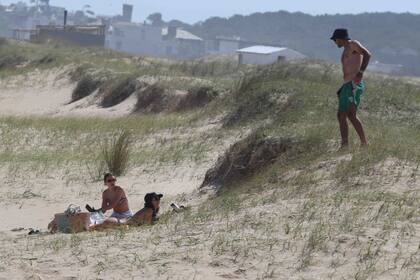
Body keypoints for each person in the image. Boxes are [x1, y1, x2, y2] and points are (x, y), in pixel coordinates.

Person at [330, 28, 371, 148]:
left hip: (353, 84)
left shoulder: (353, 44)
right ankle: (350, 144)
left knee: (346, 114)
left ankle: (351, 144)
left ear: (340, 38)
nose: (335, 42)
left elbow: (367, 54)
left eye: (335, 39)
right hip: (347, 84)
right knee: (346, 115)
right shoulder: (345, 50)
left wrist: (361, 72)